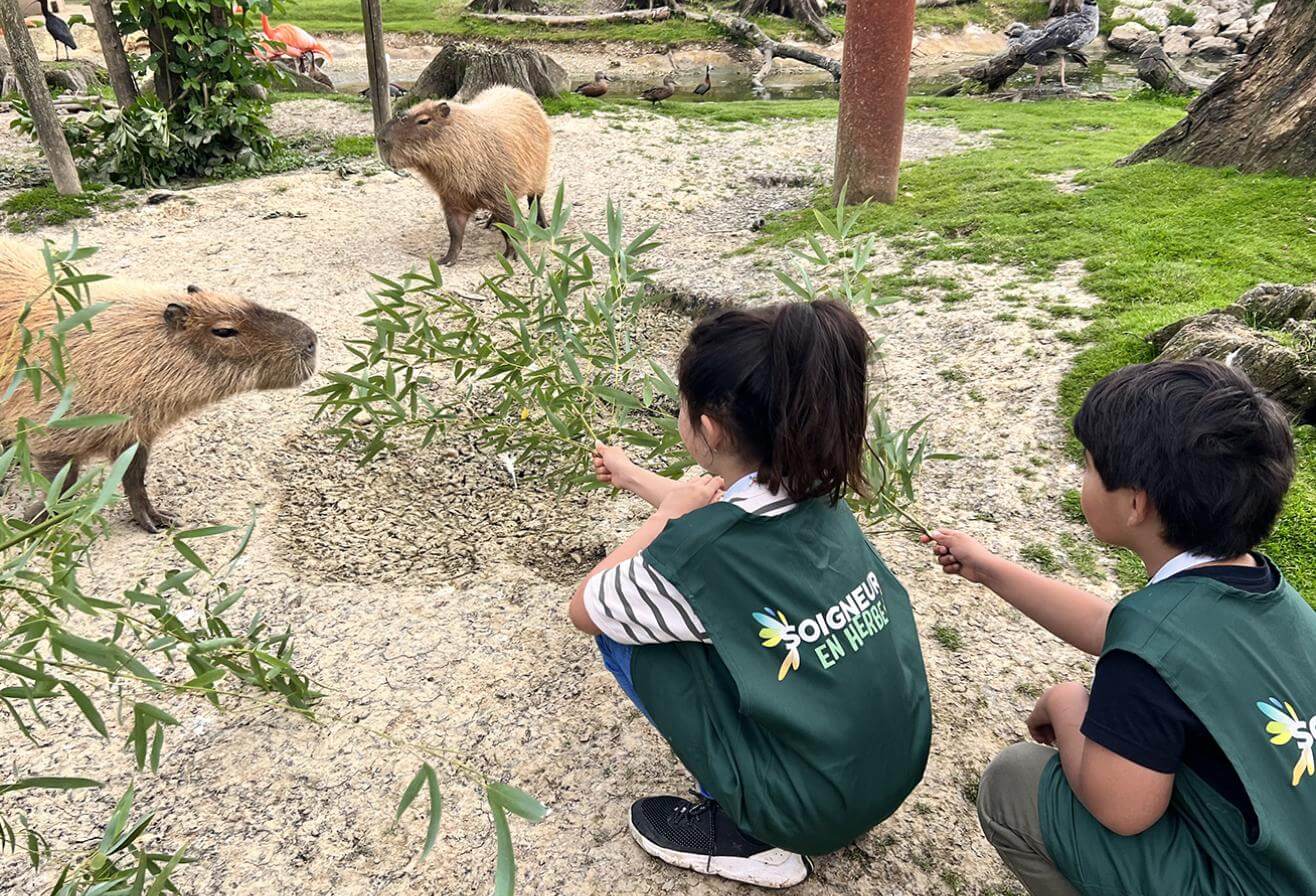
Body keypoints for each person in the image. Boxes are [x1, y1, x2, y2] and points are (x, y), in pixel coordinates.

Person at [568, 300, 931, 889]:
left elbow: (586, 606)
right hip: (889, 768)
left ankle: (752, 835)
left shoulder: (702, 559)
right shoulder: (817, 488)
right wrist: (634, 476)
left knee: (622, 637)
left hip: (808, 813)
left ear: (708, 427)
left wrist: (663, 516)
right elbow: (716, 505)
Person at [926, 359, 1316, 896]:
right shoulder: (1271, 599)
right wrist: (988, 568)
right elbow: (1121, 627)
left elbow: (1123, 810)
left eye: (1087, 466)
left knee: (1015, 781)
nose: (1081, 478)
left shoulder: (1149, 656)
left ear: (1135, 504)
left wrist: (1066, 702)